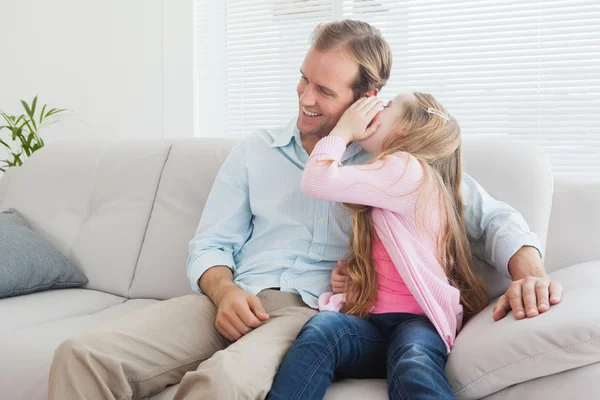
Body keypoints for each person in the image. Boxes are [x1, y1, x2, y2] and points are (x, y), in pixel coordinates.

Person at [47, 20, 562, 400]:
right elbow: (210, 244)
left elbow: (493, 218)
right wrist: (223, 290)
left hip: (309, 312)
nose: (305, 98)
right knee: (82, 355)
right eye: (303, 80)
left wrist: (530, 273)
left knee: (223, 385)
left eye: (324, 90)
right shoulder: (255, 150)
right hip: (232, 297)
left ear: (368, 100)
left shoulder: (393, 167)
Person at [269, 92, 486, 400]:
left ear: (405, 130)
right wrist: (351, 283)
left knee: (413, 358)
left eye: (386, 106)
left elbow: (316, 180)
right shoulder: (387, 174)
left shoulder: (407, 169)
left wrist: (342, 131)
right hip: (373, 327)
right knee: (324, 329)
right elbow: (397, 260)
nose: (373, 109)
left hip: (418, 322)